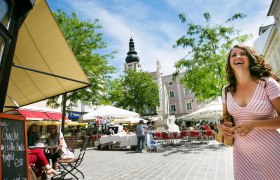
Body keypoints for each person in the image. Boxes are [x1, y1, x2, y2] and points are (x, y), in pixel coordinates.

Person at [218, 44, 280, 179]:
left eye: (242, 53)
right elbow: (226, 117)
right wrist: (221, 126)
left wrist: (254, 124)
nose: (237, 56)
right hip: (242, 155)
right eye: (233, 55)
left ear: (250, 59)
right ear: (230, 62)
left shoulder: (267, 83)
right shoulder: (227, 90)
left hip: (271, 153)